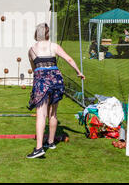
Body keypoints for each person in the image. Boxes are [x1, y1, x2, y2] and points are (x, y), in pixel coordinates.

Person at [26, 23, 85, 158]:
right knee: (53, 113)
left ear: (37, 33)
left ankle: (39, 148)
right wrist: (79, 72)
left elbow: (34, 69)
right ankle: (51, 142)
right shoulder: (54, 46)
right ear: (47, 33)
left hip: (42, 81)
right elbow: (68, 58)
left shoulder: (31, 50)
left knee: (41, 115)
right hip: (56, 80)